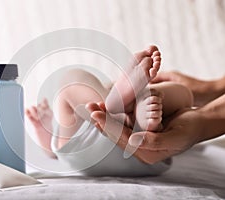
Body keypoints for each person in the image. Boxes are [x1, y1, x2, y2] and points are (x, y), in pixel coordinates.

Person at [25, 45, 194, 176]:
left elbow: (50, 152)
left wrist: (42, 127)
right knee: (185, 94)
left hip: (86, 153)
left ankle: (113, 107)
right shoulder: (145, 99)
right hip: (148, 157)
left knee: (70, 81)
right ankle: (130, 113)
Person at [87, 72, 225, 165]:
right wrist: (213, 89)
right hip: (149, 156)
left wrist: (206, 118)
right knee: (184, 94)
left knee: (76, 77)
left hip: (104, 143)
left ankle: (124, 104)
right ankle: (136, 111)